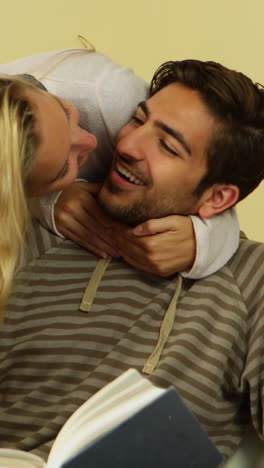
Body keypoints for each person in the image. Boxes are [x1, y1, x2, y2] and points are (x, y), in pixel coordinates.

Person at [1, 58, 264, 463]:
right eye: (138, 120)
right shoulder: (28, 232)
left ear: (218, 198)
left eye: (168, 146)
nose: (125, 145)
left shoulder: (250, 277)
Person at [0, 48, 239, 314]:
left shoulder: (110, 99)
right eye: (63, 167)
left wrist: (203, 241)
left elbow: (213, 174)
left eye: (65, 112)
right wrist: (47, 202)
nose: (94, 141)